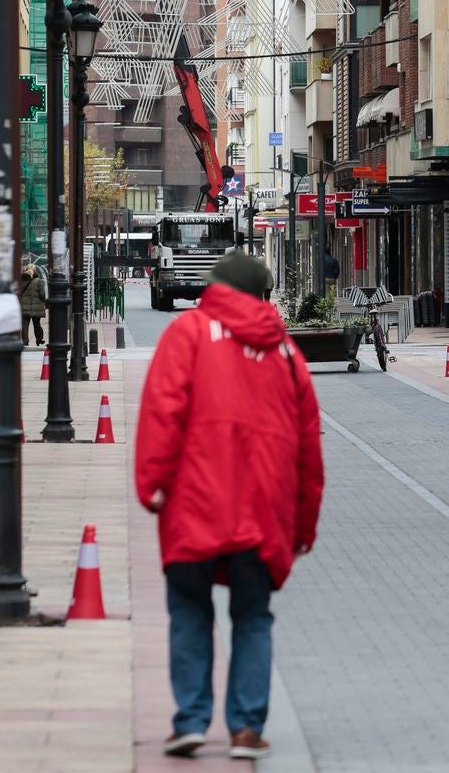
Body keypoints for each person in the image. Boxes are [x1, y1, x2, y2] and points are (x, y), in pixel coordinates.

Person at [135, 249, 324, 762]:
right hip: (265, 512)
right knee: (253, 615)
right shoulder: (284, 352)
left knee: (189, 609)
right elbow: (309, 448)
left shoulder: (187, 335)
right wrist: (303, 525)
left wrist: (150, 482)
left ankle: (192, 721)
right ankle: (245, 728)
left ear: (217, 287)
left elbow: (162, 410)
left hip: (195, 504)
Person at [19, 263, 46, 347]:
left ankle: (25, 341)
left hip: (24, 306)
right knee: (37, 324)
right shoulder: (39, 281)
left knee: (24, 324)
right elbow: (42, 295)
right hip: (36, 307)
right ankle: (39, 340)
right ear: (35, 271)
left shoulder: (21, 280)